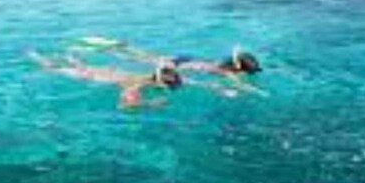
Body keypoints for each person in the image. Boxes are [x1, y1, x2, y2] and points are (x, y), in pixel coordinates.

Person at [96, 43, 266, 97]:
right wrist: (258, 92)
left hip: (187, 60)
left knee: (148, 57)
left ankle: (122, 48)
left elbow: (236, 55)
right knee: (147, 59)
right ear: (240, 69)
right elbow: (241, 86)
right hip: (179, 65)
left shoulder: (224, 64)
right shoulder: (228, 72)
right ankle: (118, 50)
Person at [28, 51, 182, 109]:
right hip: (91, 76)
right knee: (52, 68)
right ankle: (34, 56)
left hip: (100, 71)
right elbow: (123, 105)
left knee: (64, 65)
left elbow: (163, 68)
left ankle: (70, 58)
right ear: (161, 84)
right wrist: (150, 104)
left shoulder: (146, 78)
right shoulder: (140, 84)